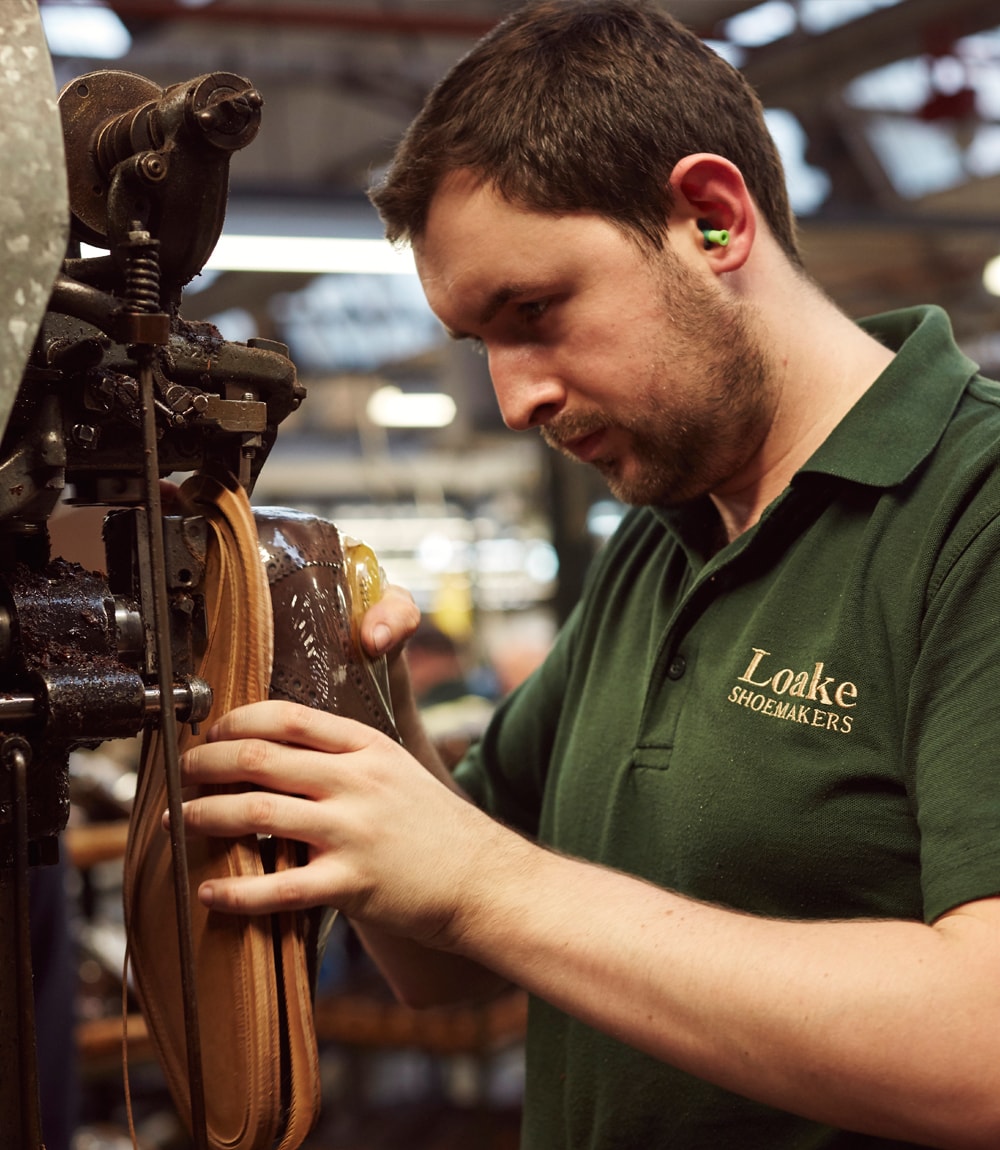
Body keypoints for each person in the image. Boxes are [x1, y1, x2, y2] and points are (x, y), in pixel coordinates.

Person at [169, 2, 1000, 1147]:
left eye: (537, 312)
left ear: (711, 221)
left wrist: (484, 883)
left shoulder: (974, 507)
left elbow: (984, 1051)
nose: (517, 400)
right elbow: (438, 965)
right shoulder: (662, 542)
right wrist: (371, 723)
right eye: (484, 345)